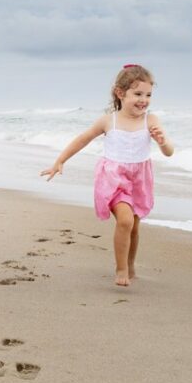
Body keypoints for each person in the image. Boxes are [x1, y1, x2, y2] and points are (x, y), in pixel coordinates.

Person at [40, 64, 174, 286]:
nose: (144, 99)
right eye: (138, 93)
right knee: (125, 220)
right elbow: (83, 139)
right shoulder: (108, 121)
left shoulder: (151, 120)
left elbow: (169, 152)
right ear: (120, 93)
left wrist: (163, 142)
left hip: (140, 179)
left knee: (134, 226)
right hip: (114, 179)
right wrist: (60, 161)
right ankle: (121, 269)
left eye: (148, 94)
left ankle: (131, 264)